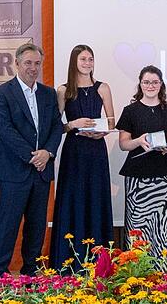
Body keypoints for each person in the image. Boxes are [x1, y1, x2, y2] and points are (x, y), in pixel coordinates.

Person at [0, 43, 63, 276]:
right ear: (17, 63)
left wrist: (48, 152)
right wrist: (34, 156)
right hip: (13, 171)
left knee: (36, 228)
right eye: (28, 63)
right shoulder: (2, 93)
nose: (33, 67)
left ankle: (30, 275)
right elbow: (5, 129)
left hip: (41, 173)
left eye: (37, 63)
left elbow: (55, 127)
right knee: (7, 227)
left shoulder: (48, 93)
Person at [49, 45, 115, 271]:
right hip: (74, 152)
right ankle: (69, 259)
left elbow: (112, 121)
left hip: (96, 151)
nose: (87, 62)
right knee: (73, 199)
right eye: (83, 59)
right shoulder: (63, 90)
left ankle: (98, 261)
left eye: (91, 59)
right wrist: (73, 124)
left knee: (96, 198)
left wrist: (103, 131)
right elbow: (55, 126)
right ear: (74, 62)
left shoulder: (103, 87)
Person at [116, 65, 167, 271]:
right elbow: (123, 144)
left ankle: (165, 269)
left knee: (163, 224)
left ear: (161, 84)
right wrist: (139, 141)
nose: (151, 85)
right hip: (137, 175)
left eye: (155, 82)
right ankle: (138, 269)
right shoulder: (130, 111)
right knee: (137, 225)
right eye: (146, 82)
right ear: (140, 84)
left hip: (163, 174)